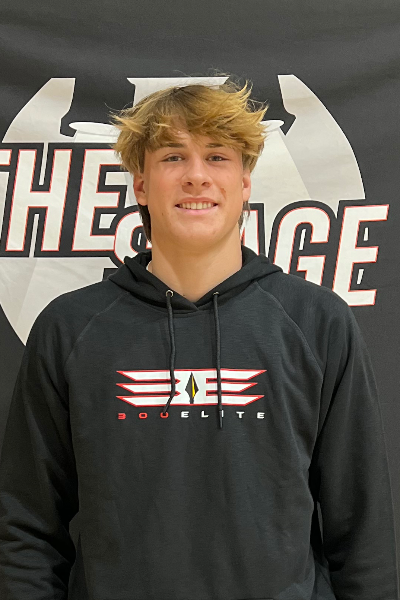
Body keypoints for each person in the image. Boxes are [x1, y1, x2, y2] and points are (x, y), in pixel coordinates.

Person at [0, 78, 398, 600]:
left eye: (216, 157)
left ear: (245, 182)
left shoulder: (317, 323)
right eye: (172, 157)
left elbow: (363, 533)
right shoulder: (69, 328)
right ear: (141, 185)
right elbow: (28, 528)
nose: (195, 176)